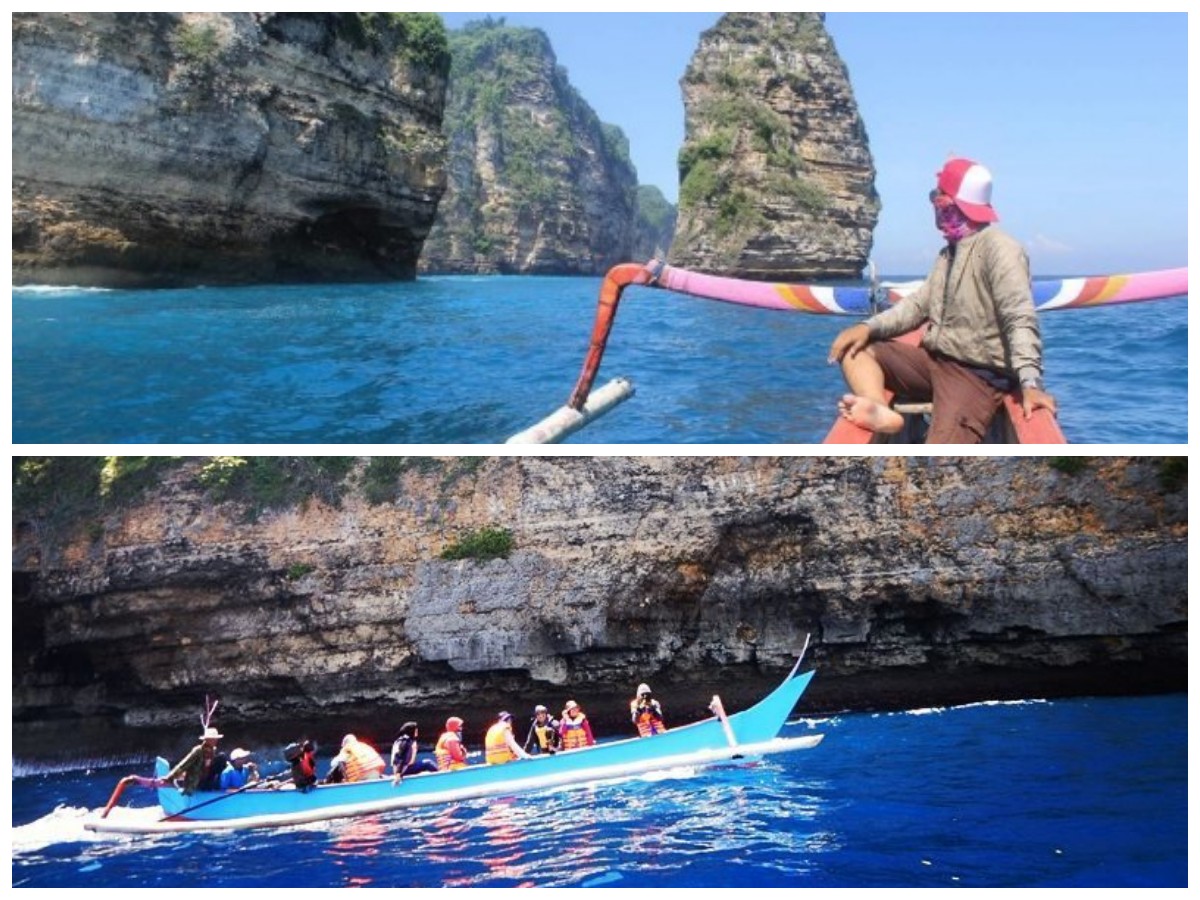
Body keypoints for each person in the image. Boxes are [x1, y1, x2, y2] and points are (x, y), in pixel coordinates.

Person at [829, 157, 1056, 443]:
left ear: (949, 205)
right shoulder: (948, 254)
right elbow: (917, 306)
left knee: (940, 453)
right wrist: (867, 328)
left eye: (937, 201)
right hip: (935, 360)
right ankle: (877, 407)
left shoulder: (1000, 249)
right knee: (855, 350)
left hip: (976, 376)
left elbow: (1019, 317)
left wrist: (1030, 382)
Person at [161, 726, 229, 795]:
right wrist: (170, 777)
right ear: (207, 740)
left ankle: (217, 786)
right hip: (196, 781)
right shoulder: (198, 751)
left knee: (222, 758)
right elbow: (184, 764)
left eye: (215, 739)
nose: (215, 741)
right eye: (213, 739)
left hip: (207, 779)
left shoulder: (213, 750)